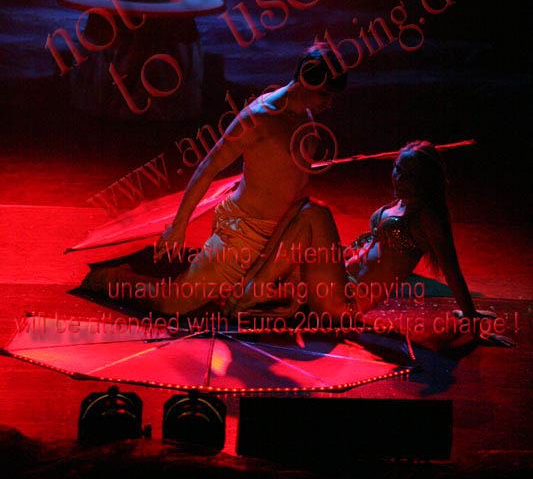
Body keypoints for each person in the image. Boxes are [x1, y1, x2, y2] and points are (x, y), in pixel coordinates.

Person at [82, 46, 356, 321]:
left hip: (283, 234)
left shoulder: (307, 119)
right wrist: (179, 225)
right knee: (173, 304)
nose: (329, 103)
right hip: (244, 234)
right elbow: (208, 167)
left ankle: (246, 282)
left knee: (308, 300)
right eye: (325, 94)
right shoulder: (259, 117)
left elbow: (297, 187)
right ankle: (110, 279)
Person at [345, 140, 515, 346]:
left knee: (317, 215)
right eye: (397, 169)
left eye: (409, 175)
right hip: (341, 278)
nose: (398, 178)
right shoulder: (401, 203)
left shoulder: (427, 218)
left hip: (349, 298)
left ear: (424, 181)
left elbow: (452, 271)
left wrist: (473, 325)